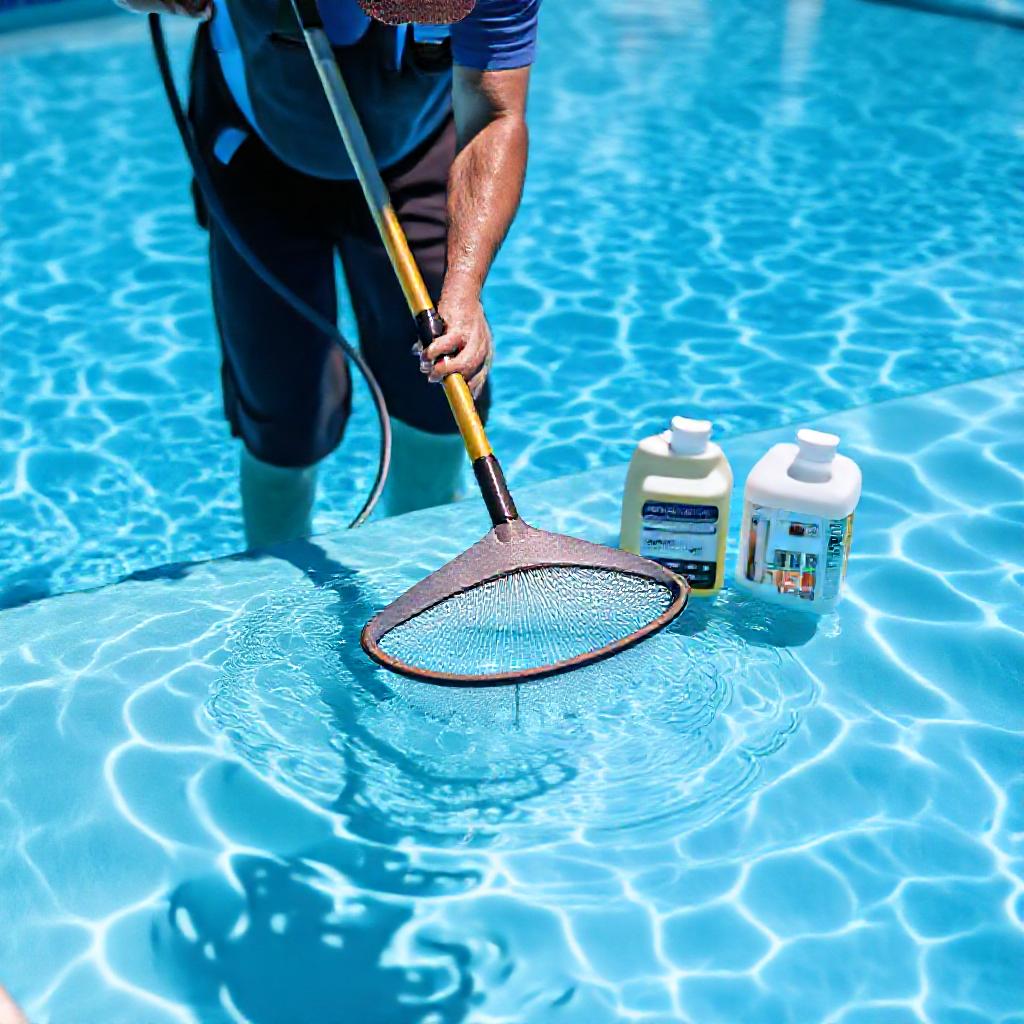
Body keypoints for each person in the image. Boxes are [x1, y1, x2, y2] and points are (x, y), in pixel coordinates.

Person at [116, 0, 539, 544]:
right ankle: (271, 592)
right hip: (255, 155)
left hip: (414, 149)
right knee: (286, 419)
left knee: (441, 390)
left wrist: (465, 287)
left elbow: (496, 114)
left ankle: (423, 563)